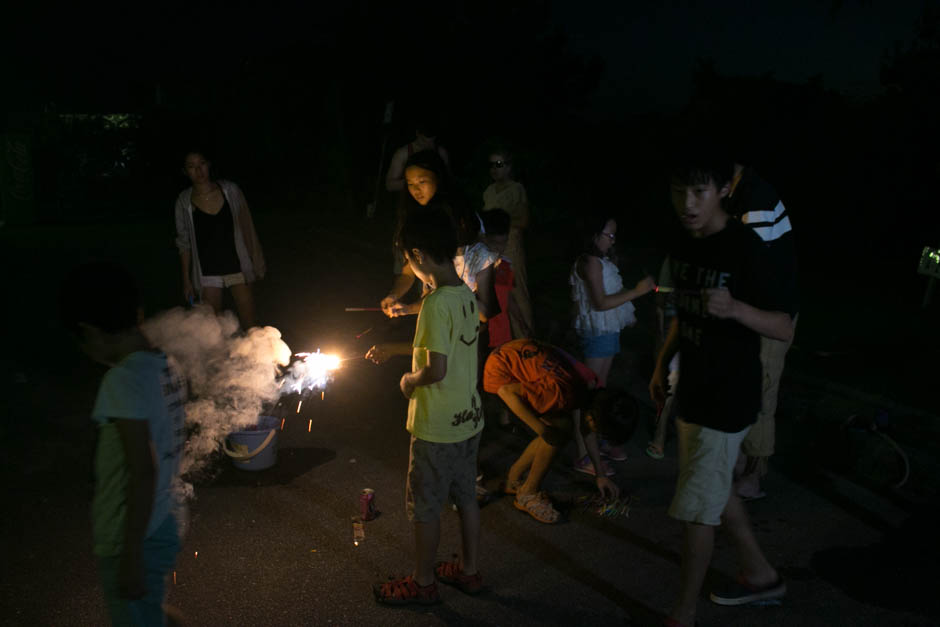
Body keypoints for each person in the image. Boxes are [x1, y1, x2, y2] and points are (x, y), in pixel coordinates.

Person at [649, 149, 797, 626]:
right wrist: (661, 364)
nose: (687, 202)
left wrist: (735, 309)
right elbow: (685, 308)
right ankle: (760, 574)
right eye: (679, 191)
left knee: (698, 510)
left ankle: (682, 614)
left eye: (699, 191)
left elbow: (783, 326)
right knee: (714, 492)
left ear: (721, 192)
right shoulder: (683, 240)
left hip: (727, 397)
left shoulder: (745, 247)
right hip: (693, 388)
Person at [365, 208, 485, 606]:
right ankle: (468, 571)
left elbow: (435, 369)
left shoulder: (435, 305)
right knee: (466, 497)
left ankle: (423, 581)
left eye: (407, 260)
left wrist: (407, 381)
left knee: (426, 506)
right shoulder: (465, 294)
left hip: (436, 426)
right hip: (469, 418)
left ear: (417, 255)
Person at [60, 262, 186, 626]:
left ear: (89, 331)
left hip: (133, 532)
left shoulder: (122, 380)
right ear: (137, 313)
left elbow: (142, 469)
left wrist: (130, 553)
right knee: (148, 612)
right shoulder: (166, 365)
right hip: (165, 518)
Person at [482, 339, 622, 524]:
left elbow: (586, 430)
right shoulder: (560, 391)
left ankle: (513, 479)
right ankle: (527, 494)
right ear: (593, 415)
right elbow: (507, 391)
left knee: (560, 429)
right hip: (500, 375)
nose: (597, 433)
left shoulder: (591, 384)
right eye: (599, 429)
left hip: (515, 355)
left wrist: (600, 475)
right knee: (557, 431)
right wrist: (542, 430)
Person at [726, 162, 800, 500]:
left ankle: (756, 474)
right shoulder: (747, 193)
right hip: (759, 308)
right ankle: (744, 459)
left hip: (772, 313)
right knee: (749, 386)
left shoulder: (755, 202)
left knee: (763, 391)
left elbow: (753, 271)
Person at [569, 212, 656, 473]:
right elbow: (600, 302)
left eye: (614, 235)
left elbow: (594, 301)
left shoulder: (600, 260)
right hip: (597, 333)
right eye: (609, 234)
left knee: (599, 389)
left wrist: (625, 315)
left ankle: (598, 440)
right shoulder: (591, 262)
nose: (612, 240)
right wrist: (638, 292)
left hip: (606, 332)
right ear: (594, 235)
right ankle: (585, 455)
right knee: (589, 395)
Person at [174, 150, 265, 330]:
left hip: (237, 266)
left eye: (201, 164)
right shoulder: (184, 201)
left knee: (251, 324)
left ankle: (257, 356)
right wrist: (187, 280)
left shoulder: (230, 191)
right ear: (185, 171)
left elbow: (247, 227)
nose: (198, 171)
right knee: (213, 329)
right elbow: (184, 243)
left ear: (209, 164)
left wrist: (255, 261)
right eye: (192, 167)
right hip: (208, 271)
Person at [381, 150, 455, 317]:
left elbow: (449, 287)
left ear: (438, 178)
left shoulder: (452, 221)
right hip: (432, 309)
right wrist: (393, 295)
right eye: (410, 183)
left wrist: (409, 309)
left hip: (455, 311)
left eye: (422, 181)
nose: (416, 190)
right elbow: (409, 271)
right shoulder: (413, 219)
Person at [482, 148, 534, 338]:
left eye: (499, 164)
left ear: (509, 167)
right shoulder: (488, 191)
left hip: (510, 245)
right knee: (498, 293)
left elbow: (524, 220)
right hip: (490, 247)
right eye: (492, 165)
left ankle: (526, 340)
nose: (495, 169)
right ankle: (502, 340)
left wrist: (500, 222)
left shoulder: (516, 189)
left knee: (518, 292)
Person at [385, 116, 450, 192]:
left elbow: (449, 179)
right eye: (424, 141)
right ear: (418, 134)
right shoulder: (403, 153)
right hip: (410, 201)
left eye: (431, 142)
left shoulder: (441, 152)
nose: (428, 146)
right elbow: (389, 185)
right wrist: (415, 182)